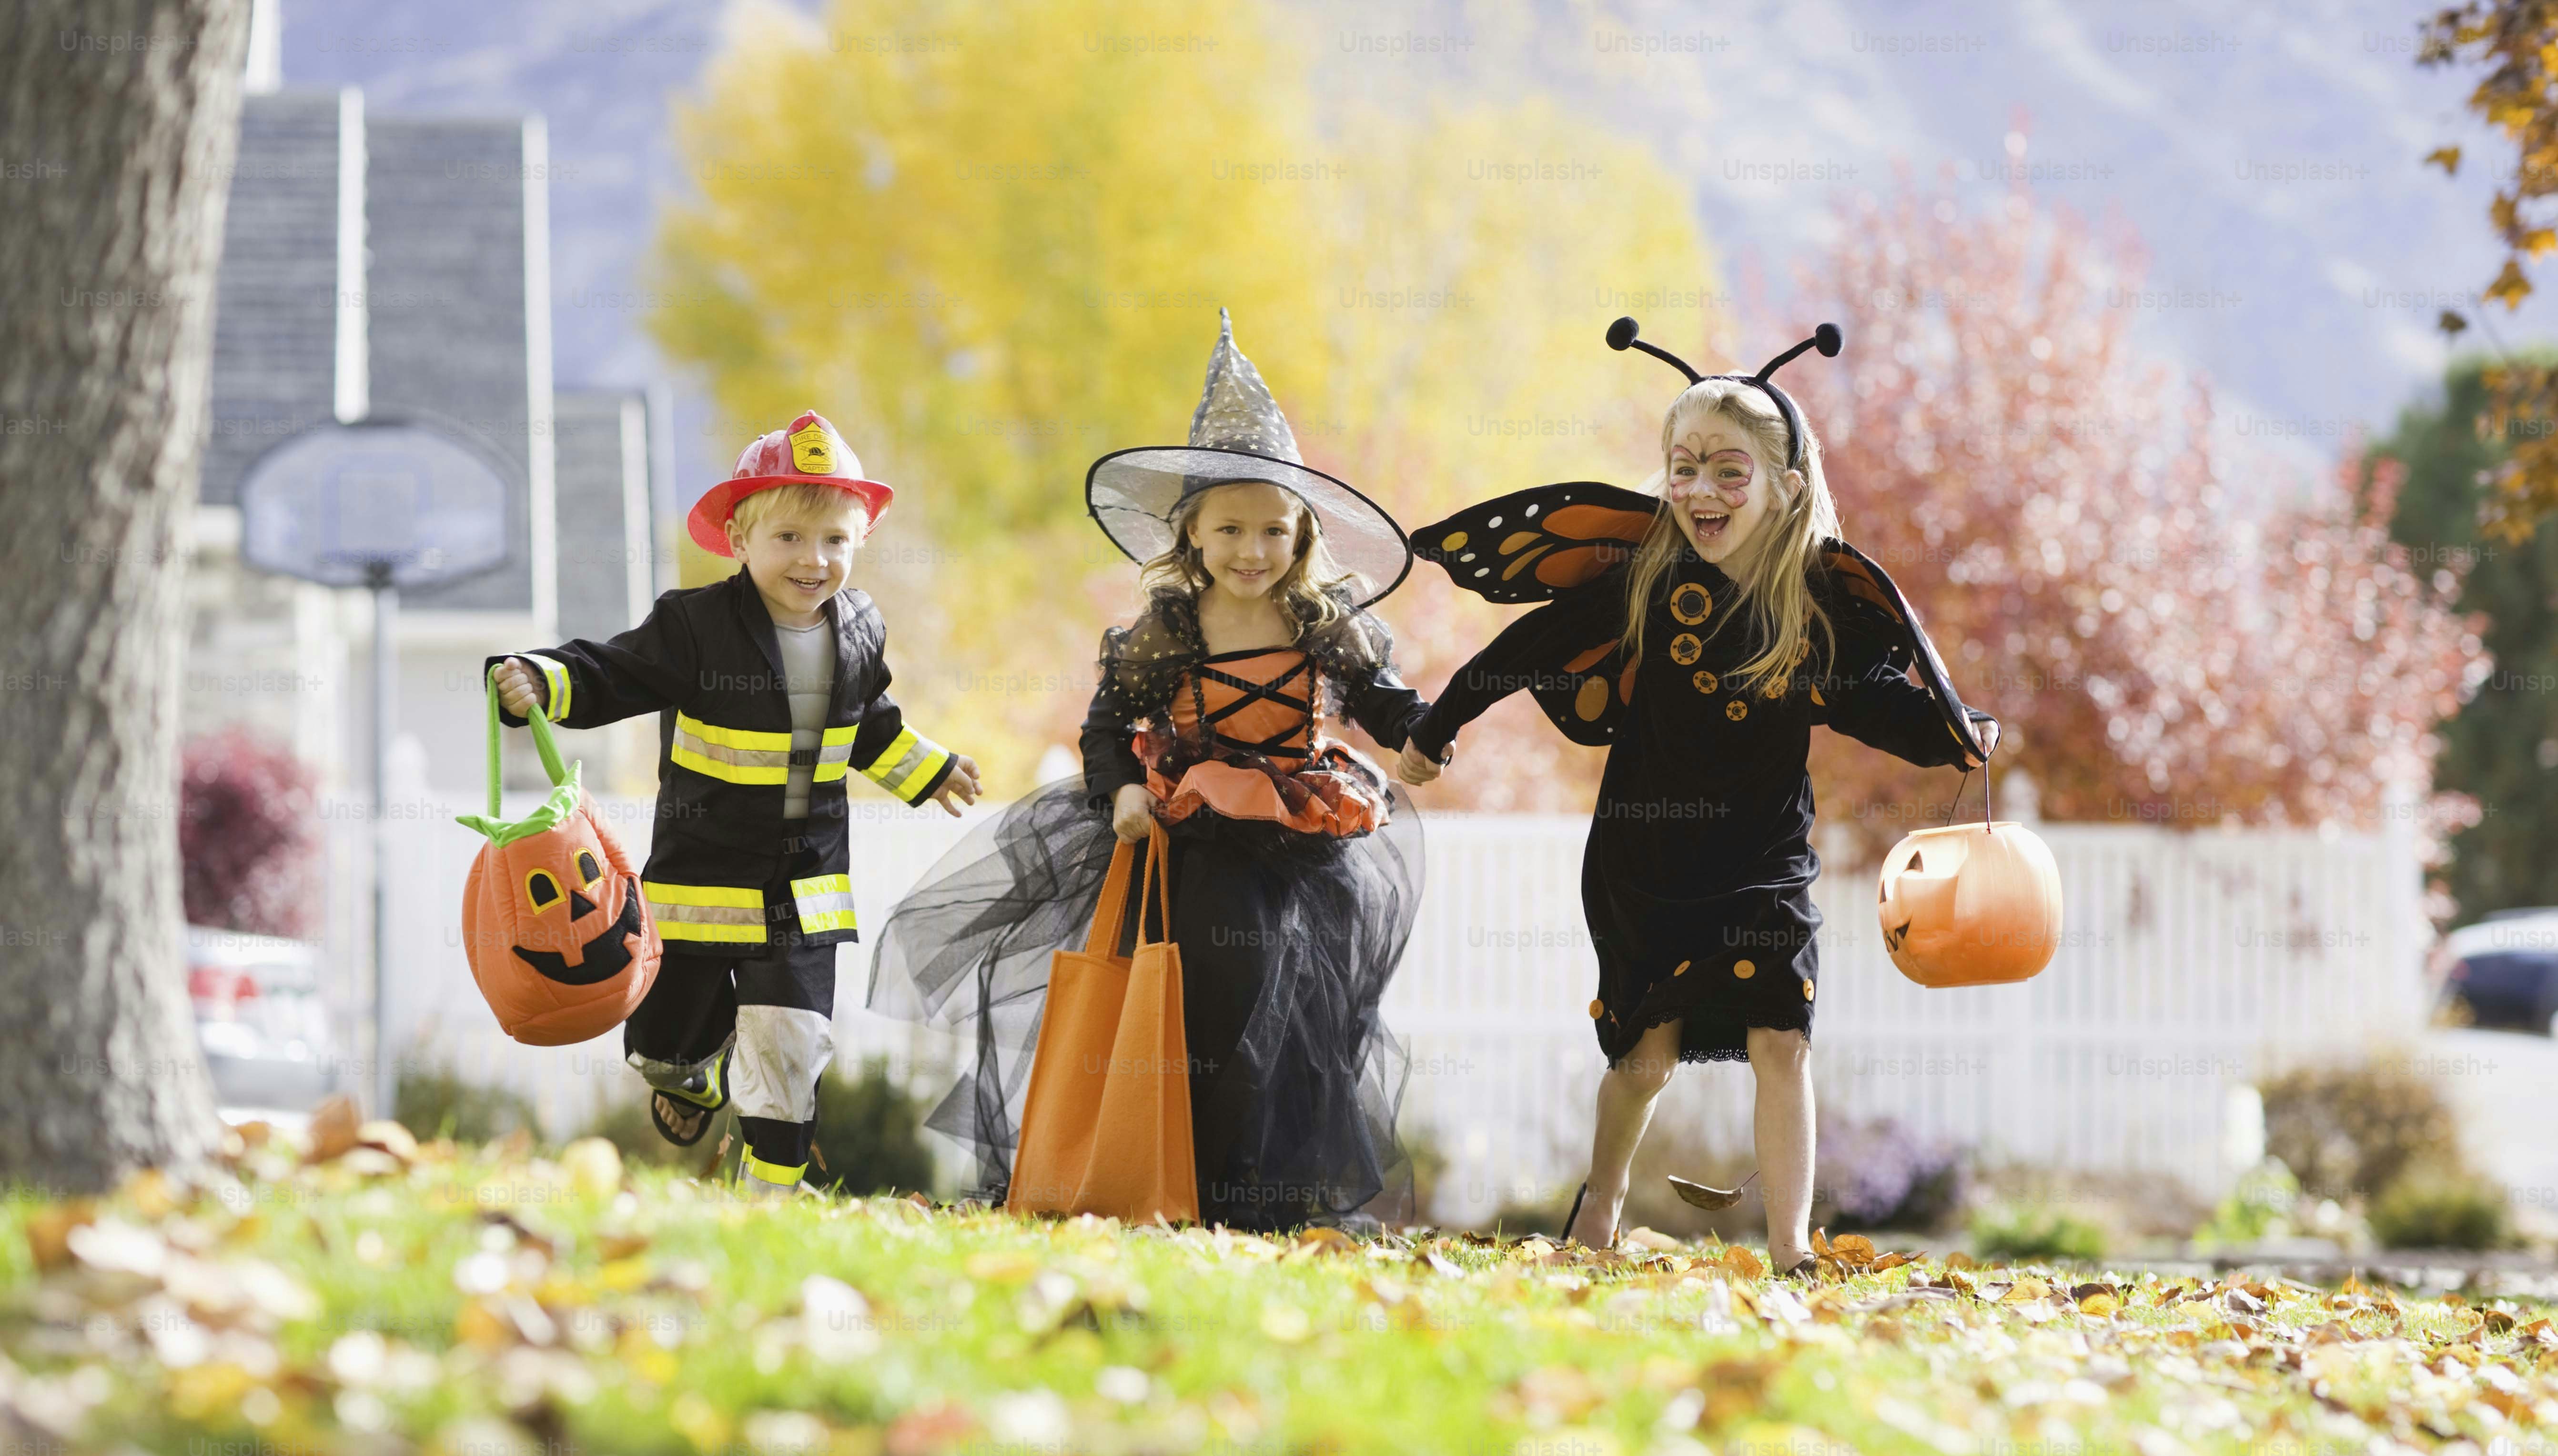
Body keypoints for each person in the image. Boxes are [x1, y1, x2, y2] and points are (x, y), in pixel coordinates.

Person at [1399, 321, 1999, 1268]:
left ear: (1785, 487)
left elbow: (1877, 704)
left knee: (1783, 1042)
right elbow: (1527, 649)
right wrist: (1438, 728)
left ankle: (1793, 1243)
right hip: (1647, 858)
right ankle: (1599, 1210)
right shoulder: (1645, 583)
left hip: (1765, 857)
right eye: (1683, 468)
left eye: (1729, 471)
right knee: (1645, 1060)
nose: (1700, 491)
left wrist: (1957, 732)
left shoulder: (1812, 606)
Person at [870, 311, 1436, 1231]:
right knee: (1207, 1007)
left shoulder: (1323, 626)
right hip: (1192, 845)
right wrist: (1122, 788)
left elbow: (1382, 698)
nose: (1251, 552)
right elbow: (1105, 727)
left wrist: (1420, 733)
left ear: (1300, 537)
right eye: (1230, 530)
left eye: (1272, 532)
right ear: (1192, 533)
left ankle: (1265, 1198)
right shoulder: (1169, 630)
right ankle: (1181, 1178)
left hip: (1300, 850)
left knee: (1296, 1021)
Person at [488, 411, 980, 1197]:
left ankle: (771, 1193)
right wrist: (544, 680)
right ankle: (687, 1079)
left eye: (834, 542)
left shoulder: (859, 629)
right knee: (663, 1040)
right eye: (788, 538)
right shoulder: (695, 626)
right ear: (740, 540)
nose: (812, 560)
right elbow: (617, 672)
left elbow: (870, 725)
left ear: (857, 545)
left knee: (791, 1041)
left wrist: (933, 770)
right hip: (701, 877)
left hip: (803, 888)